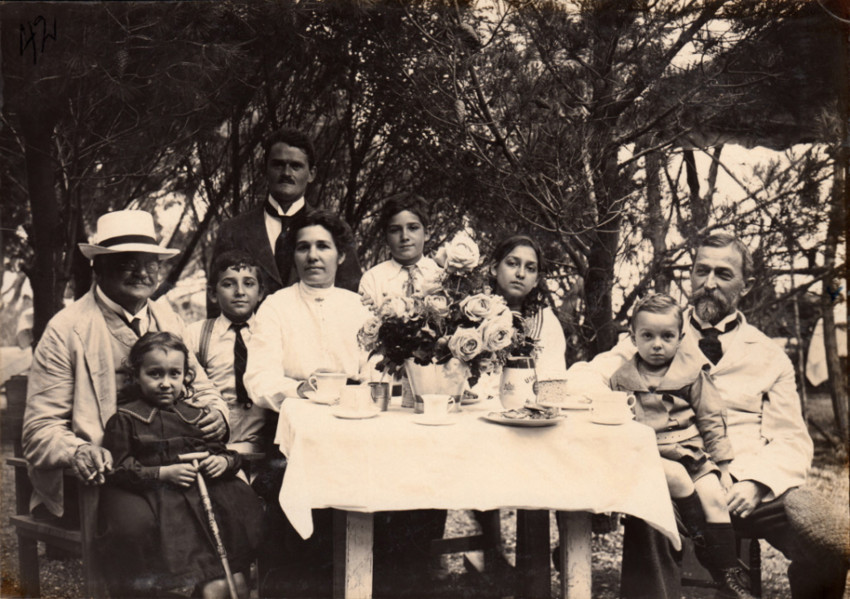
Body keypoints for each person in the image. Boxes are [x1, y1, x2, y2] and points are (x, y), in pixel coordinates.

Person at [567, 232, 848, 599]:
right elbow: (586, 375)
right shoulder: (659, 331)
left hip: (747, 485)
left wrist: (757, 483)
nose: (709, 283)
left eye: (723, 274)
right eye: (701, 271)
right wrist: (620, 410)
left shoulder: (769, 355)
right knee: (651, 505)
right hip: (674, 476)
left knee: (830, 535)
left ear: (744, 287)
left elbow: (792, 438)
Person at [23, 209, 228, 521]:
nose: (142, 273)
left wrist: (218, 414)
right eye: (127, 263)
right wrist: (78, 451)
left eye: (150, 264)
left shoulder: (168, 319)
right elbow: (39, 430)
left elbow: (201, 386)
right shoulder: (66, 329)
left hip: (172, 462)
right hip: (109, 473)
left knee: (234, 502)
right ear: (99, 267)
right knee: (141, 522)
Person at [243, 209, 370, 597]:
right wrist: (299, 390)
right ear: (293, 256)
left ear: (340, 256)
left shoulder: (358, 306)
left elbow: (376, 369)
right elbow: (258, 379)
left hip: (355, 431)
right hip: (291, 437)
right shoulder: (276, 306)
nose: (313, 256)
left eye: (323, 246)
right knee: (291, 501)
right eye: (303, 247)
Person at [98, 332, 263, 598]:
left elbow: (225, 452)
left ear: (186, 376)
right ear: (136, 375)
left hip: (205, 495)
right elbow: (118, 467)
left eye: (174, 374)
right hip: (165, 497)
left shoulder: (195, 415)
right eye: (155, 374)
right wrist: (162, 472)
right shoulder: (126, 419)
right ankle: (202, 585)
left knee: (236, 504)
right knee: (184, 535)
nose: (165, 383)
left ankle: (231, 578)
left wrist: (222, 461)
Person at [609, 293, 752, 598]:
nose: (657, 344)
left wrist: (723, 467)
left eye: (667, 336)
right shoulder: (621, 379)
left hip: (691, 450)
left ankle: (725, 570)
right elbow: (616, 421)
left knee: (715, 497)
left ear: (680, 337)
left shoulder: (691, 371)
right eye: (647, 336)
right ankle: (700, 539)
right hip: (651, 454)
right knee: (675, 476)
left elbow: (712, 419)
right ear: (633, 338)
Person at [210, 127, 361, 317]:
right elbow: (216, 300)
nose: (286, 173)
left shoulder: (331, 230)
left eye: (296, 166)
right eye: (278, 165)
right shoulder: (234, 230)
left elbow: (350, 293)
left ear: (312, 173)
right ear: (264, 169)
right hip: (247, 342)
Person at [187, 249, 271, 454]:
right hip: (212, 444)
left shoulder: (270, 334)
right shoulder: (197, 334)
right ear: (213, 294)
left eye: (249, 284)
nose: (240, 292)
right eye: (228, 284)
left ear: (260, 293)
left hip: (262, 444)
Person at [487, 234, 568, 384]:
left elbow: (552, 383)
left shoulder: (546, 323)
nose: (521, 274)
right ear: (494, 268)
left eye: (530, 268)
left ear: (536, 280)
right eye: (512, 264)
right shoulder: (472, 311)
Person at [358, 193, 443, 307]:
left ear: (427, 233)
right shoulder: (373, 279)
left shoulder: (440, 274)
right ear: (386, 237)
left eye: (413, 228)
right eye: (395, 230)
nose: (404, 237)